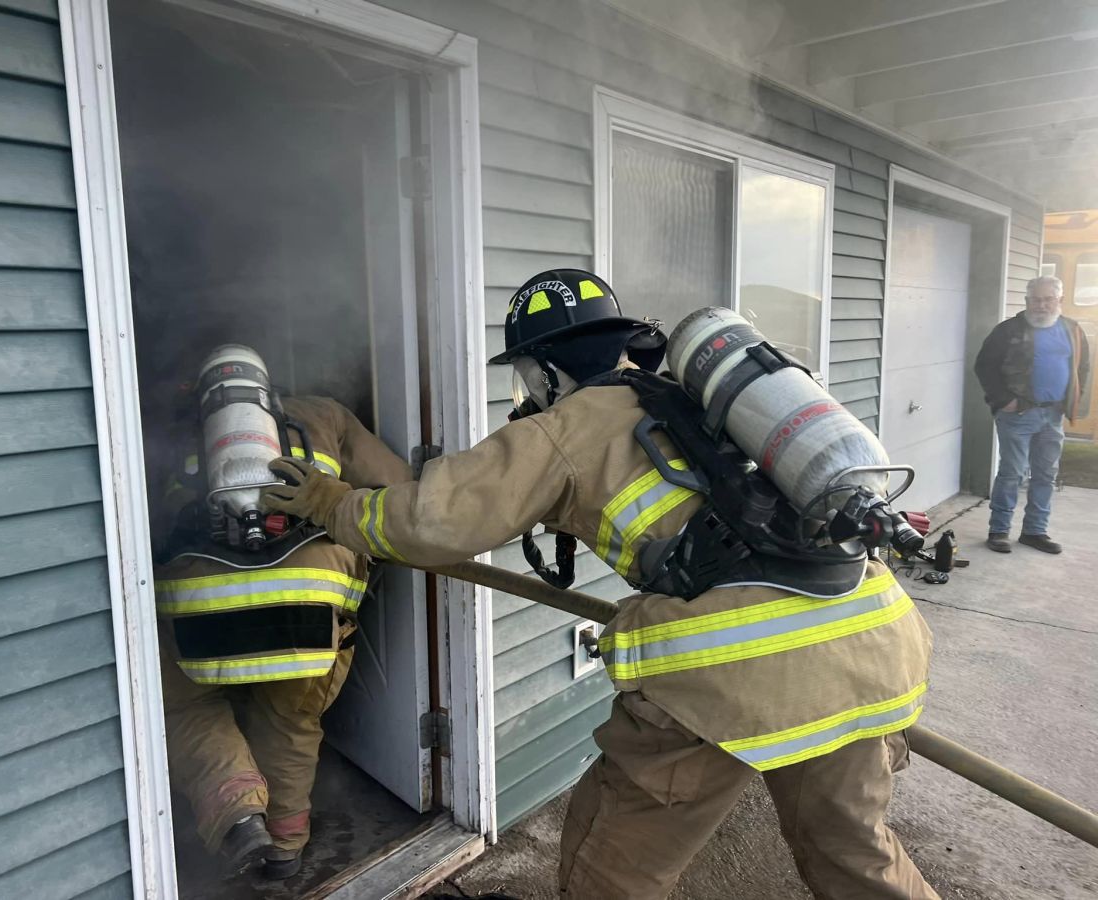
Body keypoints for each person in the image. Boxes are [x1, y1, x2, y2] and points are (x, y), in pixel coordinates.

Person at [263, 270, 938, 900]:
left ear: (549, 368)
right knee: (855, 854)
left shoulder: (569, 425)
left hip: (736, 669)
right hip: (871, 640)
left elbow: (428, 521)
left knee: (610, 870)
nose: (526, 392)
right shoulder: (696, 401)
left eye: (527, 375)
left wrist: (328, 502)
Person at [149, 362, 411, 879]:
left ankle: (238, 812)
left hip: (200, 608)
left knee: (188, 707)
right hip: (311, 602)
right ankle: (286, 849)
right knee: (289, 718)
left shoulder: (170, 430)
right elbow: (398, 487)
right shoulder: (324, 415)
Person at [974, 275, 1090, 554]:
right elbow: (984, 367)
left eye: (1048, 299)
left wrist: (1070, 402)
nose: (1041, 305)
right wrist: (1005, 401)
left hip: (1053, 415)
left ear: (1059, 301)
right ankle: (999, 530)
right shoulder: (1008, 330)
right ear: (1027, 301)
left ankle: (1035, 531)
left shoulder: (1072, 330)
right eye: (1036, 299)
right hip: (1018, 414)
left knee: (1045, 475)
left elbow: (1082, 368)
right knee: (1011, 473)